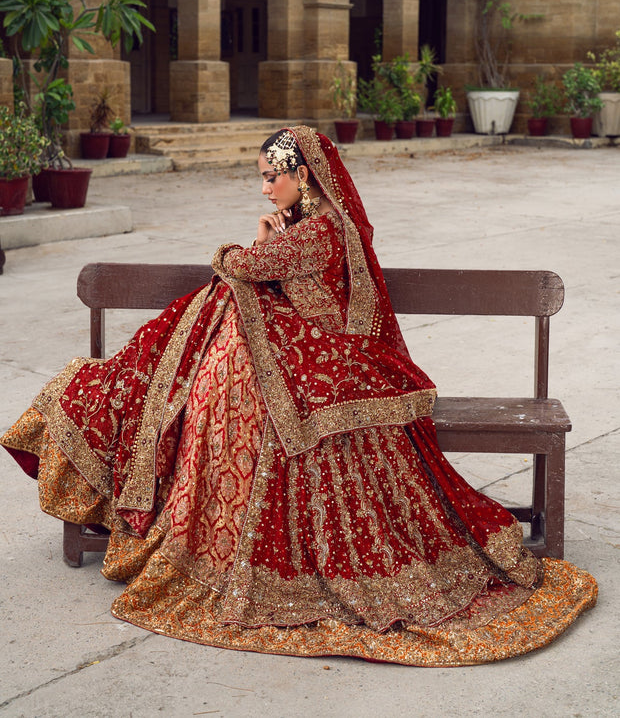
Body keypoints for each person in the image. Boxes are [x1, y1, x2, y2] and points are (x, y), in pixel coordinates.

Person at [1, 126, 596, 666]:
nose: (264, 189)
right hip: (323, 353)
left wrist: (257, 243)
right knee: (231, 321)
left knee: (230, 313)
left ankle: (128, 398)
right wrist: (261, 248)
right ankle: (142, 392)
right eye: (261, 178)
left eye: (270, 177)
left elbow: (236, 263)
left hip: (324, 358)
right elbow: (258, 270)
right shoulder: (323, 227)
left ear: (302, 175)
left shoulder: (313, 234)